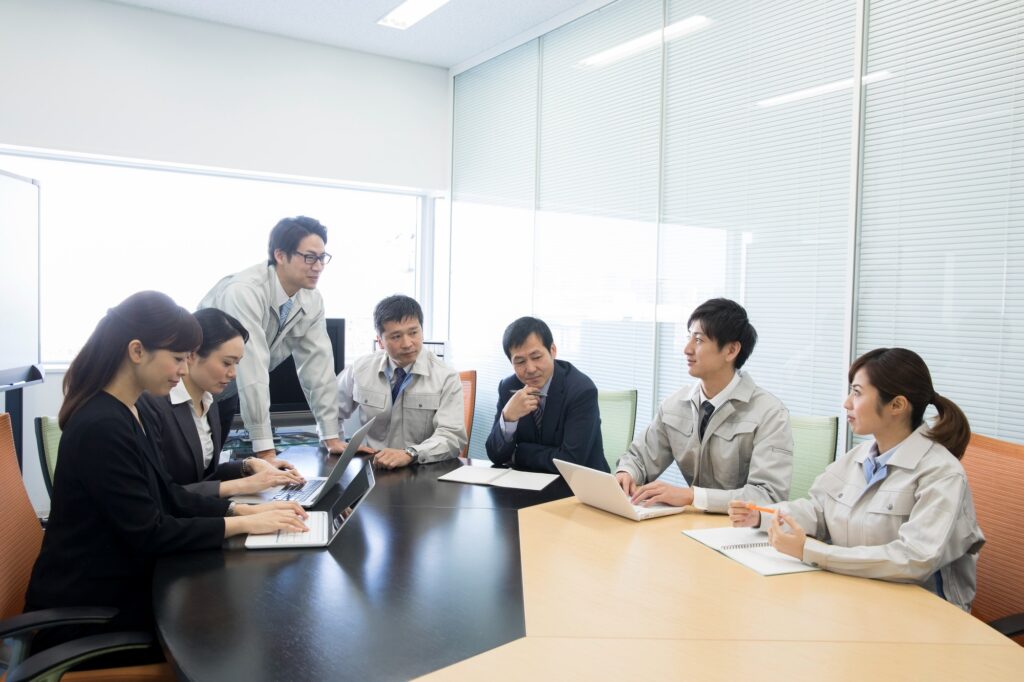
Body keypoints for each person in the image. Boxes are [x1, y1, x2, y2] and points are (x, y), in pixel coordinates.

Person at [24, 292, 308, 658]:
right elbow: (151, 532)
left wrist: (246, 513)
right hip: (92, 614)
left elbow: (168, 494)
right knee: (239, 635)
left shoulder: (125, 412)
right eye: (177, 359)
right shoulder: (102, 426)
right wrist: (243, 526)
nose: (183, 370)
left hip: (117, 586)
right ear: (137, 351)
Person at [729, 348, 985, 612]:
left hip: (921, 613)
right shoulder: (859, 457)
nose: (847, 403)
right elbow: (819, 510)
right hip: (859, 596)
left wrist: (811, 551)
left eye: (858, 393)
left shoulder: (942, 473)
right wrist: (763, 516)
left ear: (897, 405)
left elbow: (913, 559)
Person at [615, 298, 792, 513]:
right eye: (689, 337)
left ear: (731, 350)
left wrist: (692, 496)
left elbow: (767, 496)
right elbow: (639, 458)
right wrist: (626, 473)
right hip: (690, 527)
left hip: (739, 534)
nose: (687, 349)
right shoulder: (675, 405)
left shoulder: (769, 413)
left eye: (698, 340)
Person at [199, 216, 344, 466]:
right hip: (194, 391)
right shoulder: (244, 291)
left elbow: (317, 366)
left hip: (227, 391)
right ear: (280, 254)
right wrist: (265, 449)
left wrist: (330, 435)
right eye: (309, 257)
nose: (318, 266)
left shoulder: (311, 299)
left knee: (210, 471)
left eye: (322, 258)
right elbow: (251, 365)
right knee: (192, 470)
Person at [138, 308, 305, 497]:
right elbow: (160, 494)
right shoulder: (152, 405)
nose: (233, 374)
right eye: (227, 363)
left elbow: (203, 477)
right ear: (192, 355)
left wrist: (248, 465)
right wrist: (245, 486)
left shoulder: (210, 403)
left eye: (237, 364)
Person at [336, 295, 467, 469]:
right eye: (396, 336)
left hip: (422, 469)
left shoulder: (445, 376)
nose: (407, 343)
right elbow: (330, 408)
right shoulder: (361, 368)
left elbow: (452, 437)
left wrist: (410, 453)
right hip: (373, 468)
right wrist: (334, 441)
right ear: (380, 341)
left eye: (413, 332)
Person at [485, 316, 606, 474]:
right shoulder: (509, 387)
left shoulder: (581, 390)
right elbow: (496, 455)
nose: (530, 368)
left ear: (552, 351)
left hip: (580, 487)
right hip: (525, 485)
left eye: (536, 357)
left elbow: (570, 461)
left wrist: (519, 453)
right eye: (520, 361)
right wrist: (508, 417)